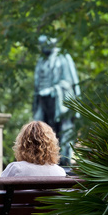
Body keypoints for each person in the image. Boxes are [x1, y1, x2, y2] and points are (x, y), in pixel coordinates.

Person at [33, 35, 80, 165]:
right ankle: (43, 159)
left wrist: (53, 90)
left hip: (62, 102)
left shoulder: (63, 57)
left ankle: (65, 161)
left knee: (65, 131)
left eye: (44, 44)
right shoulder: (41, 60)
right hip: (44, 103)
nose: (41, 48)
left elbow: (70, 81)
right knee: (40, 129)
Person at [1, 121, 68, 177]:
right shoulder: (59, 172)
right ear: (51, 146)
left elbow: (1, 189)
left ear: (23, 145)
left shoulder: (15, 169)